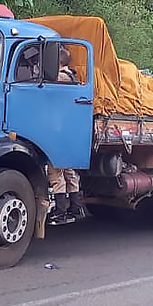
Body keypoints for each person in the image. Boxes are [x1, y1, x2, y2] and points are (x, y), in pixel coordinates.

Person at [47, 47, 84, 225]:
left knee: (56, 172)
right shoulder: (73, 77)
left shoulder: (60, 78)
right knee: (68, 171)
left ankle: (60, 211)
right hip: (68, 131)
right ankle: (76, 207)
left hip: (57, 130)